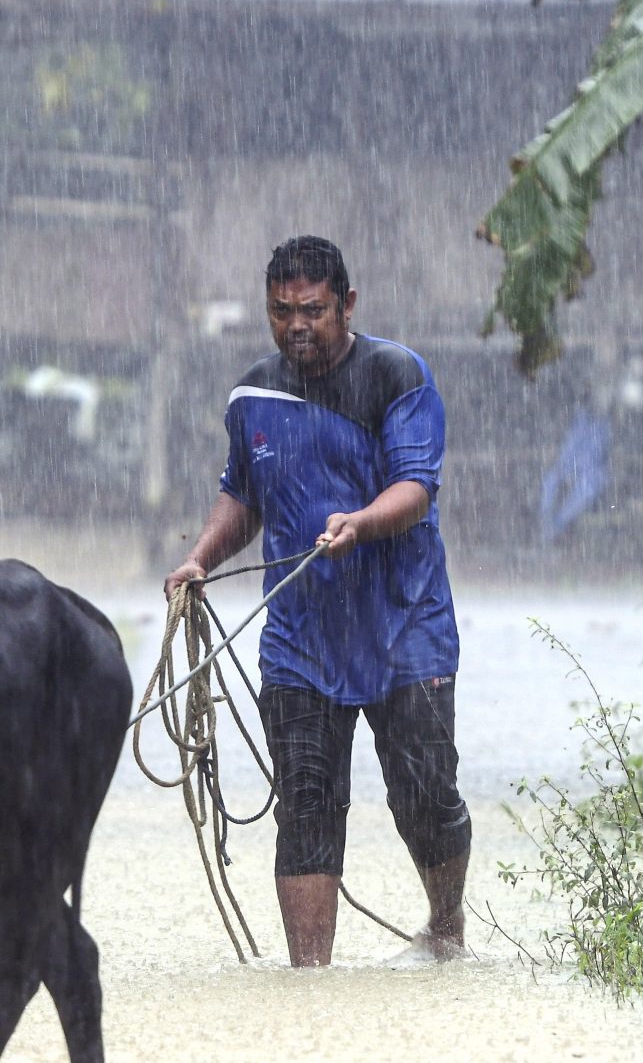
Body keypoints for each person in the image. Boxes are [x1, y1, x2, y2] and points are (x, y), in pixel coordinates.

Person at [163, 236, 471, 967]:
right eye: (280, 311)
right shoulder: (252, 396)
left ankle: (447, 928)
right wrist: (200, 557)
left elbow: (416, 487)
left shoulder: (397, 374)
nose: (296, 325)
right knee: (305, 803)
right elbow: (242, 496)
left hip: (404, 629)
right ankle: (310, 987)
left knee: (423, 795)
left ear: (347, 304)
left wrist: (362, 523)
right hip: (302, 639)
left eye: (312, 310)